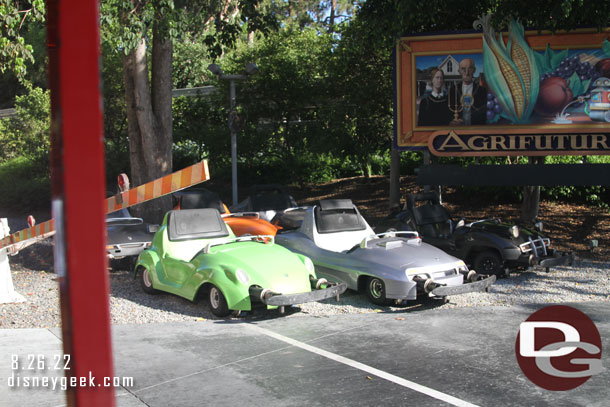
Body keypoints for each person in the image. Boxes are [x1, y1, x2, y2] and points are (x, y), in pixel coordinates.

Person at [448, 58, 487, 125]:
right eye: (463, 69)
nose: (467, 72)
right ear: (459, 71)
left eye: (470, 68)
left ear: (474, 70)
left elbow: (484, 112)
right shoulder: (453, 90)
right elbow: (448, 112)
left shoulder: (482, 91)